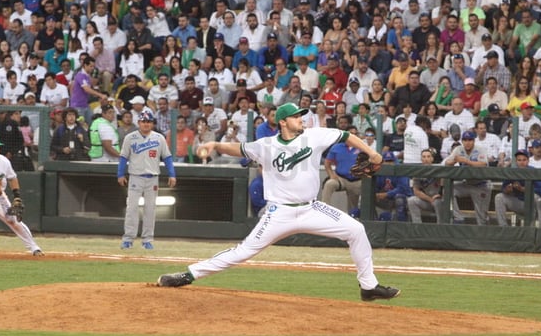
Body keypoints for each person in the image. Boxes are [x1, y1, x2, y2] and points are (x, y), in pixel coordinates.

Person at [157, 103, 400, 302]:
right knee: (243, 251)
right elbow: (239, 148)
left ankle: (368, 287)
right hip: (279, 213)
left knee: (356, 230)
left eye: (302, 116)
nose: (301, 119)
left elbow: (346, 135)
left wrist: (372, 153)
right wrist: (215, 145)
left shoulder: (314, 136)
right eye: (296, 116)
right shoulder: (267, 146)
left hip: (311, 208)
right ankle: (188, 274)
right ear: (283, 122)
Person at [117, 110, 177, 250]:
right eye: (143, 121)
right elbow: (123, 157)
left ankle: (147, 239)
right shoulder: (130, 138)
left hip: (152, 178)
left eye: (148, 121)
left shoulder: (159, 138)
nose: (146, 124)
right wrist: (120, 174)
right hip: (135, 177)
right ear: (139, 123)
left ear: (152, 123)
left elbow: (167, 157)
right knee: (131, 209)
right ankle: (128, 239)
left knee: (150, 210)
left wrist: (172, 174)